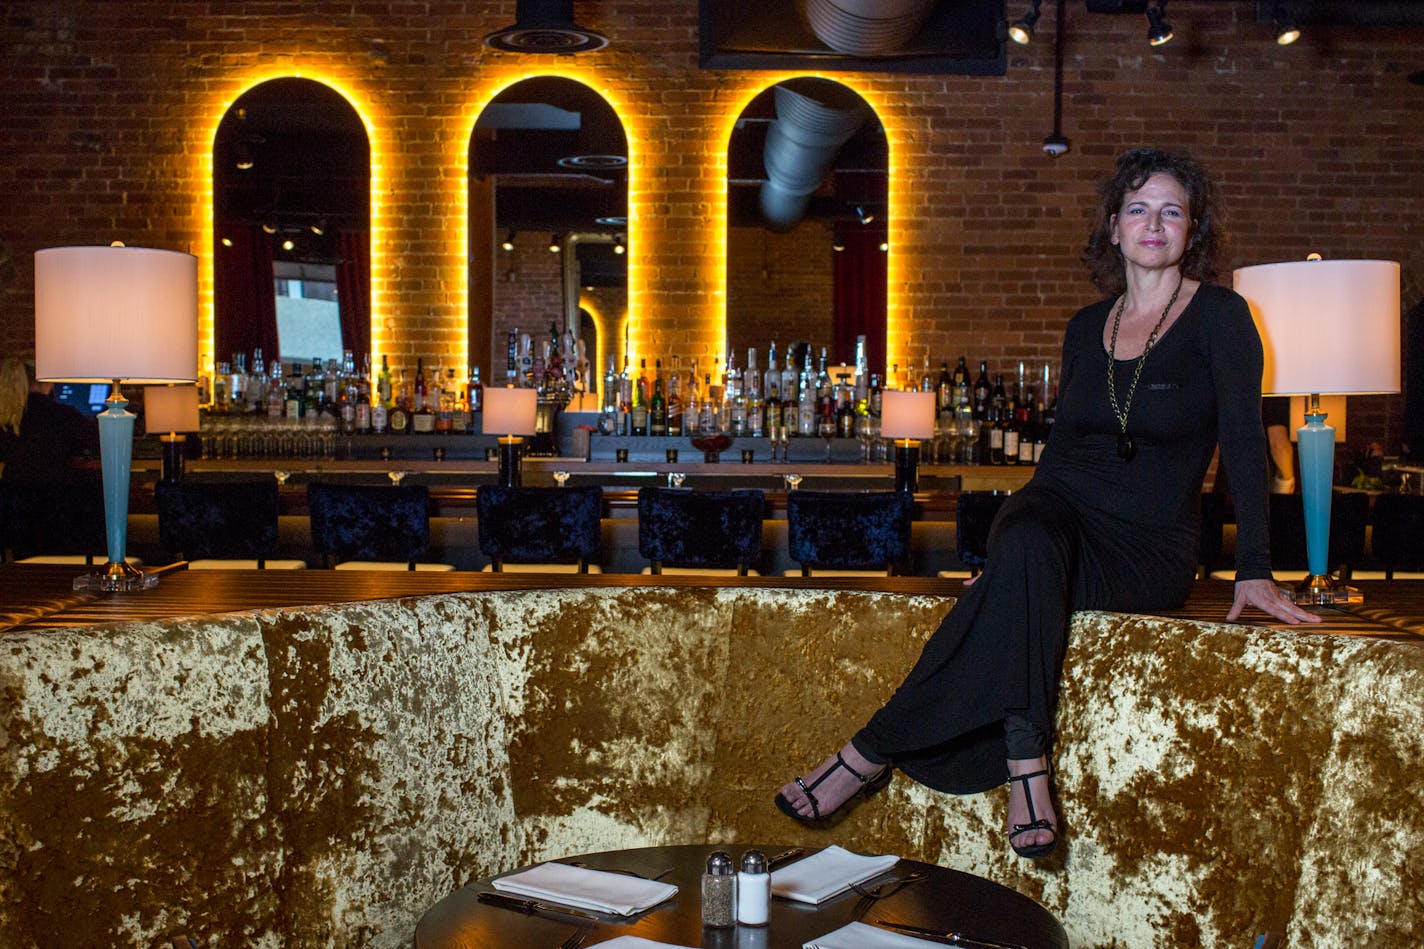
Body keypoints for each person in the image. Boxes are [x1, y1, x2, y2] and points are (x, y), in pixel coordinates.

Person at [773, 148, 1320, 859]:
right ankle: (1027, 761)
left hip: (1148, 545)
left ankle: (866, 753)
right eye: (1138, 208)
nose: (1154, 223)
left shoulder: (1222, 317)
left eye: (1172, 211)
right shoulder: (1084, 326)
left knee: (1027, 561)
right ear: (1115, 228)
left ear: (1193, 230)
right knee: (1025, 539)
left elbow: (1245, 446)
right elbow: (1059, 458)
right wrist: (1005, 558)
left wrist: (1255, 567)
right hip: (1055, 515)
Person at [0, 355, 100, 483]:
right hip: (55, 495)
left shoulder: (7, 416)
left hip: (11, 496)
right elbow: (96, 444)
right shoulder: (63, 415)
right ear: (47, 381)